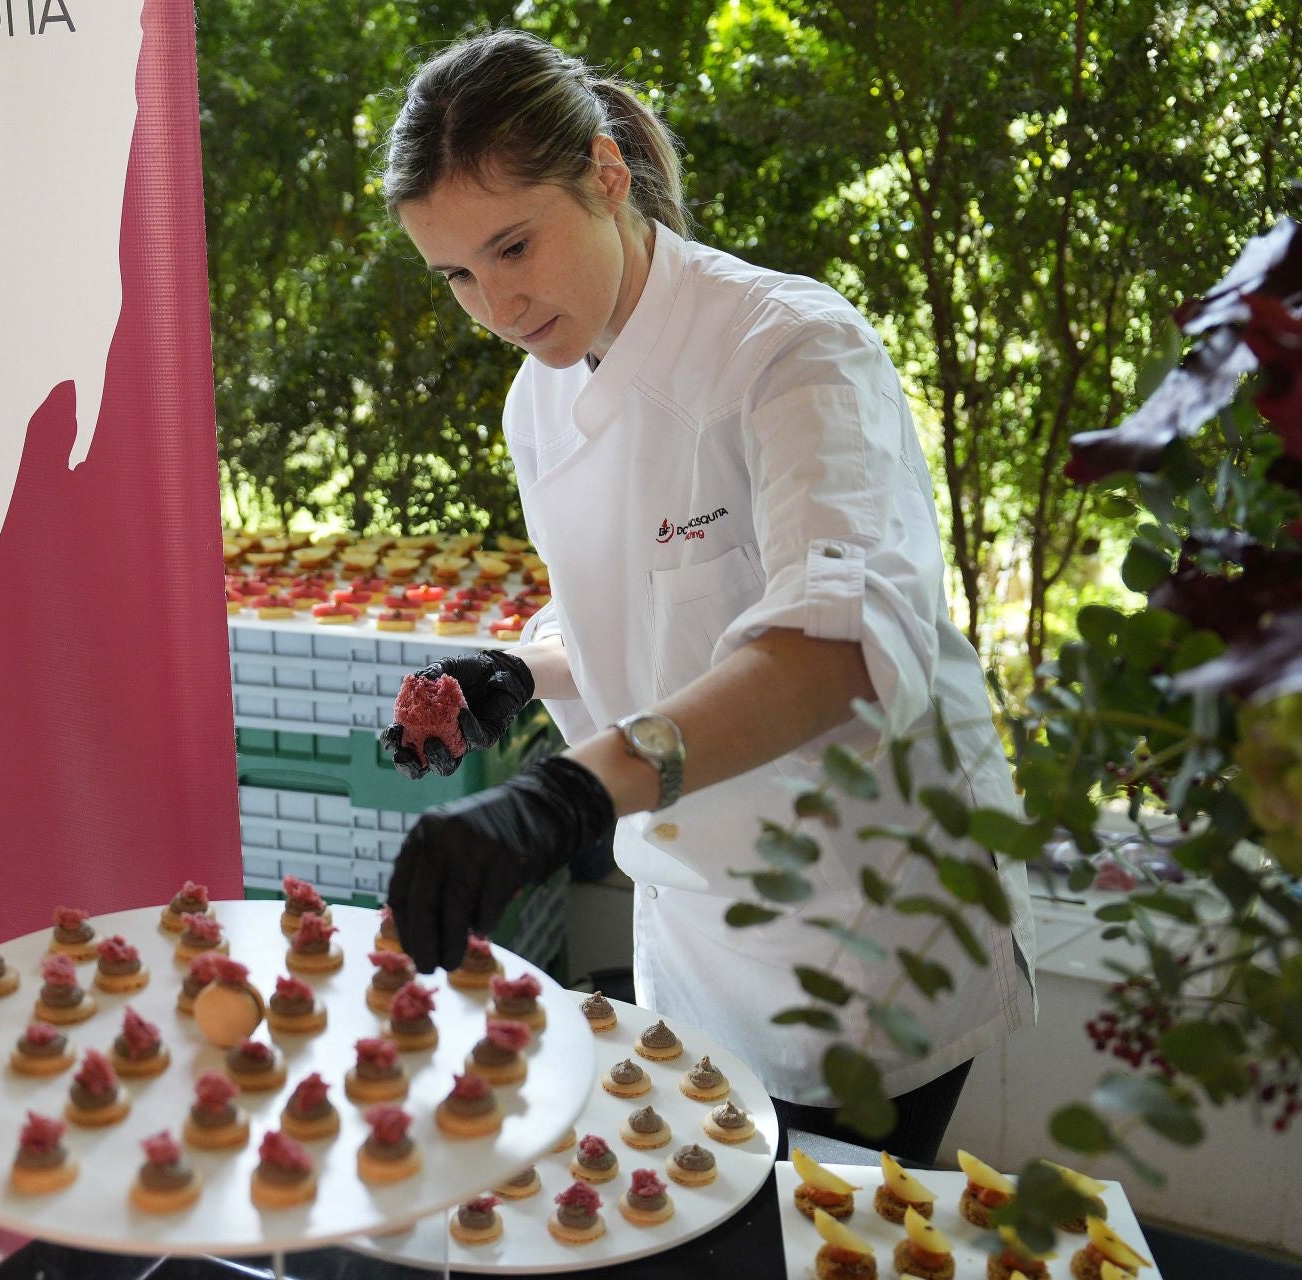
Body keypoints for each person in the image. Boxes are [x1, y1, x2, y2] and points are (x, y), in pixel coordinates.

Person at [376, 29, 1036, 1164]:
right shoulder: (539, 402)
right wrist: (514, 674)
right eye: (457, 274)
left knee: (824, 1226)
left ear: (607, 173)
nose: (494, 302)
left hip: (862, 925)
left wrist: (568, 795)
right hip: (693, 922)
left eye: (513, 245)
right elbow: (650, 616)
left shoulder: (791, 350)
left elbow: (832, 653)